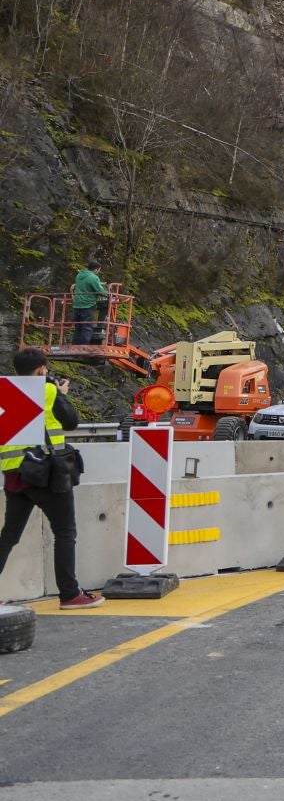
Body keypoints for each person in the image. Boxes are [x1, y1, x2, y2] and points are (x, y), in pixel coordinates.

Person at [0, 348, 102, 608]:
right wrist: (61, 394)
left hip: (14, 476)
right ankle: (69, 594)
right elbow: (71, 422)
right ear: (41, 369)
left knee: (9, 536)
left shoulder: (4, 391)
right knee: (65, 533)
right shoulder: (47, 390)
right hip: (47, 475)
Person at [71, 259, 107, 346]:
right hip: (87, 304)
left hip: (77, 304)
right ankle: (83, 347)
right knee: (86, 327)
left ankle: (75, 346)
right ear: (96, 269)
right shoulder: (93, 277)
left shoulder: (79, 275)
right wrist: (108, 294)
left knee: (78, 327)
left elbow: (85, 285)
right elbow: (100, 291)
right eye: (99, 270)